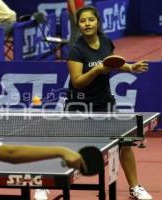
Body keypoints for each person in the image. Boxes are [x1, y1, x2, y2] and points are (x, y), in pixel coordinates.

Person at [64, 6, 152, 200]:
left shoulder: (106, 42)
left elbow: (112, 63)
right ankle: (44, 185)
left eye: (90, 20)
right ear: (78, 25)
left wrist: (130, 67)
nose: (87, 24)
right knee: (67, 147)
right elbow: (77, 83)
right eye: (82, 21)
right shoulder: (76, 50)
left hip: (104, 103)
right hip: (79, 106)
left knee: (125, 143)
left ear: (97, 22)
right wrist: (97, 70)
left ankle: (134, 187)